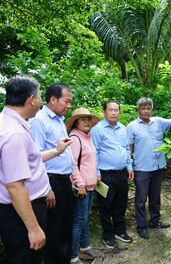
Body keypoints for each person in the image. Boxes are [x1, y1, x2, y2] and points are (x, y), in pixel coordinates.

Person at [0, 75, 71, 264]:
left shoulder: (4, 124)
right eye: (40, 97)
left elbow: (29, 160)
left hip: (21, 209)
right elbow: (15, 186)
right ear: (31, 99)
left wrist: (57, 151)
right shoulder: (13, 134)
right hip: (23, 212)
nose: (41, 103)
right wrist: (33, 228)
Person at [30, 83, 74, 263]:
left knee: (65, 226)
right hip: (50, 182)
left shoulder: (59, 120)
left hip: (64, 181)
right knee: (54, 230)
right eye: (67, 101)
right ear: (53, 99)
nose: (69, 105)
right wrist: (46, 187)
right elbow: (35, 157)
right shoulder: (39, 121)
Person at [126, 97, 171, 239]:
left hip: (158, 166)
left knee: (155, 197)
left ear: (152, 109)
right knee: (141, 200)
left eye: (148, 108)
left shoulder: (158, 122)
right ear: (138, 110)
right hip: (142, 168)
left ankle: (155, 221)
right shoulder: (131, 126)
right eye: (143, 108)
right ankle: (141, 226)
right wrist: (128, 166)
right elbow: (128, 148)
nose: (146, 111)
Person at [90, 100, 134, 248]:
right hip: (105, 174)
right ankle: (108, 235)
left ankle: (119, 231)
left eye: (116, 110)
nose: (114, 112)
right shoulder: (97, 129)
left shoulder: (123, 128)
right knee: (106, 206)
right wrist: (96, 173)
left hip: (122, 173)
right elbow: (93, 152)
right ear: (104, 112)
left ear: (119, 112)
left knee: (121, 203)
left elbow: (127, 149)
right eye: (110, 110)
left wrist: (129, 166)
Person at [65, 108, 101, 264]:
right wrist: (79, 185)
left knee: (84, 218)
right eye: (83, 119)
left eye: (88, 119)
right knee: (79, 220)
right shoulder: (75, 138)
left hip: (90, 185)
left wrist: (96, 175)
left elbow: (89, 161)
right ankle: (73, 256)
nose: (87, 122)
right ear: (75, 122)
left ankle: (85, 247)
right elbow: (72, 164)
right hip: (82, 187)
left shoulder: (87, 137)